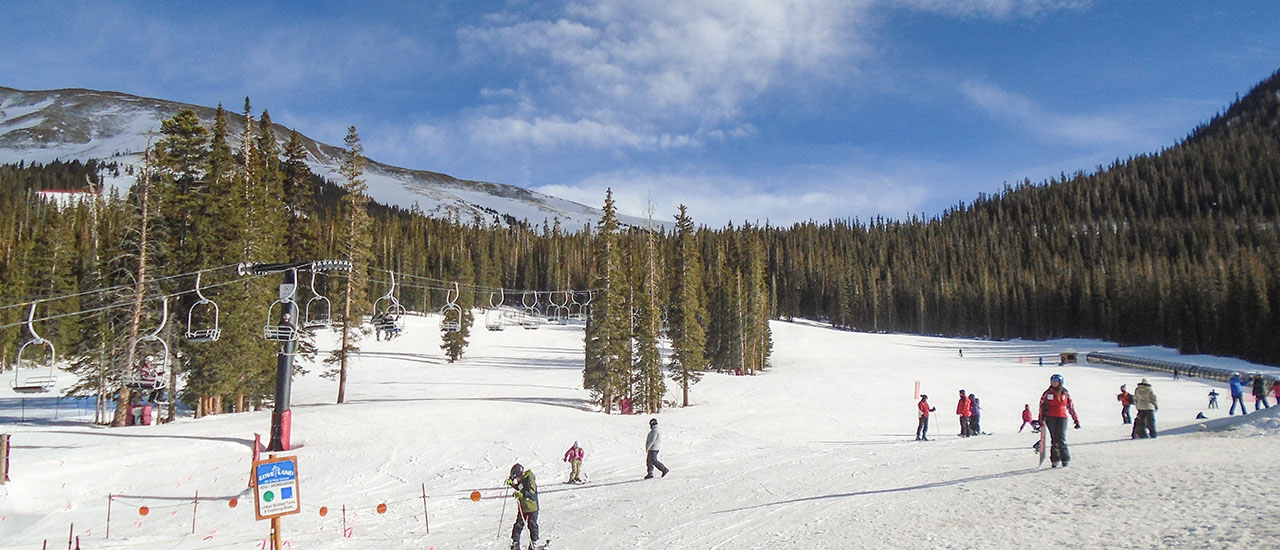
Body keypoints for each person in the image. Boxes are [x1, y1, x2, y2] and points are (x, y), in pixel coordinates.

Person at [1038, 373, 1080, 468]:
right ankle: (1055, 459)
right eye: (1052, 382)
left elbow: (1070, 406)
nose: (1054, 383)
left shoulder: (1065, 393)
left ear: (1060, 382)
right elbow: (1042, 406)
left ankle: (1065, 459)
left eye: (1056, 382)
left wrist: (1076, 419)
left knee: (1061, 438)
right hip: (1050, 418)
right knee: (1054, 439)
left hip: (1062, 417)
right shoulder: (1047, 393)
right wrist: (1041, 419)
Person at [506, 463, 540, 550]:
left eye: (517, 477)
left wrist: (521, 494)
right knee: (518, 524)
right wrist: (512, 485)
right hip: (523, 507)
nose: (517, 479)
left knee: (532, 525)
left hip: (532, 507)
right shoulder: (522, 480)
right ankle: (515, 543)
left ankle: (533, 542)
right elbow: (521, 488)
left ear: (520, 475)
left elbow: (531, 492)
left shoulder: (529, 479)